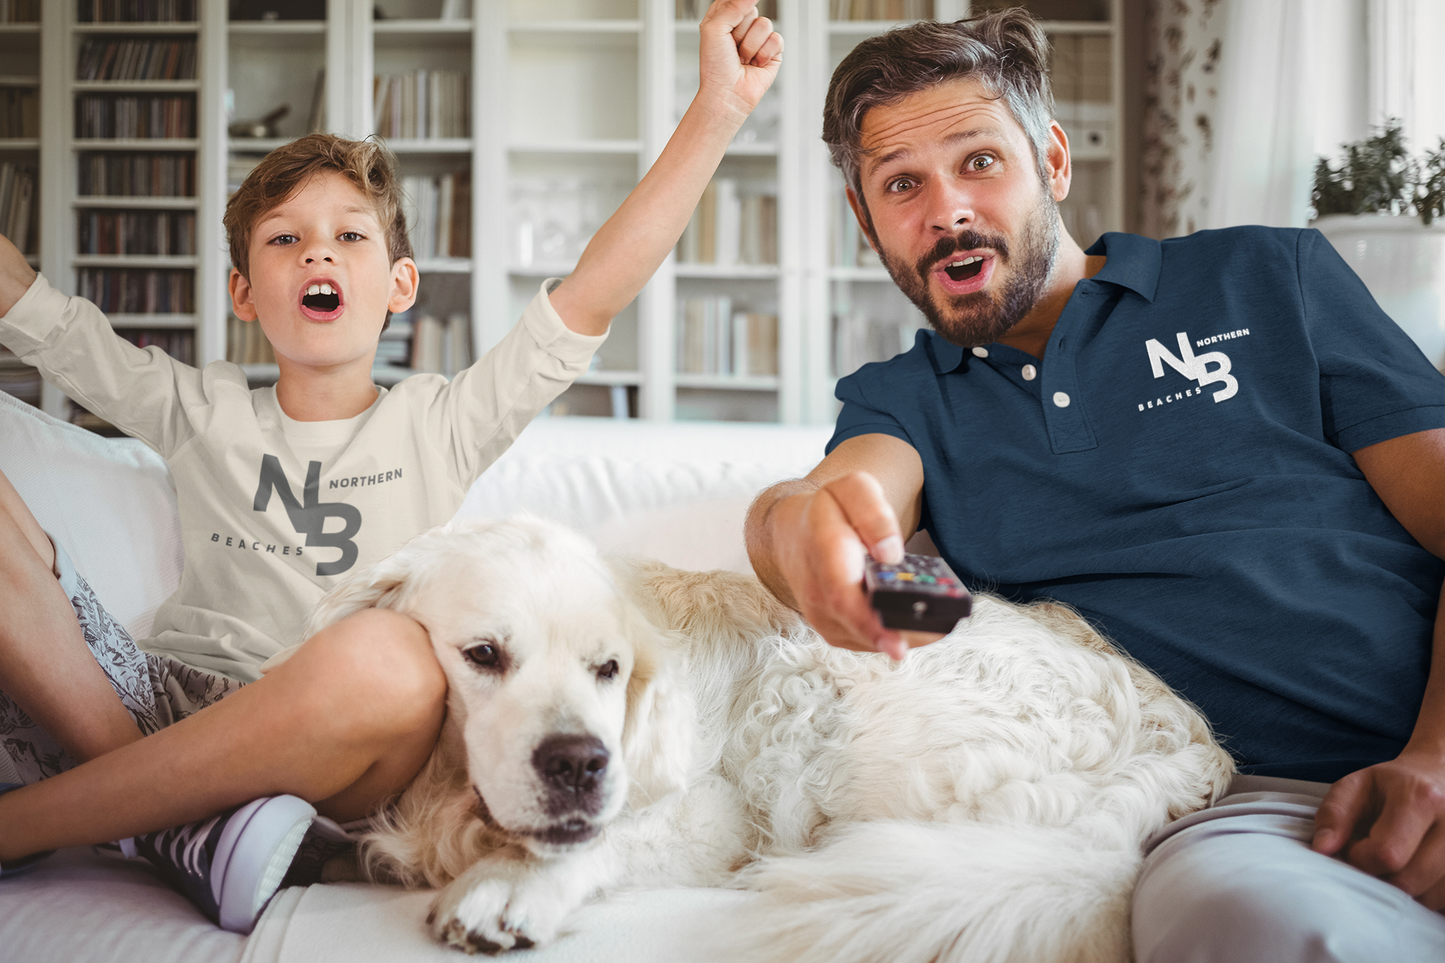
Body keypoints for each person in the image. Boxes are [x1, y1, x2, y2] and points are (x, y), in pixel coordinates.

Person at [0, 0, 782, 935]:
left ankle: (57, 819)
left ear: (399, 286)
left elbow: (594, 290)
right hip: (153, 707)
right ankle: (185, 823)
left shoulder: (443, 422)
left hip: (348, 744)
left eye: (350, 235)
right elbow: (44, 317)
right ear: (246, 293)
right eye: (285, 238)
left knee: (389, 656)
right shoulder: (196, 407)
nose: (318, 248)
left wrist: (716, 110)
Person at [743, 9, 1445, 961]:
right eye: (900, 184)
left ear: (1054, 164)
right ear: (868, 226)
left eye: (979, 161)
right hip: (1255, 814)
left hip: (1433, 729)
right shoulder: (902, 403)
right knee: (1243, 924)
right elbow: (861, 541)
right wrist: (782, 527)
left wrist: (1436, 756)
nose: (945, 208)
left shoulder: (1269, 275)